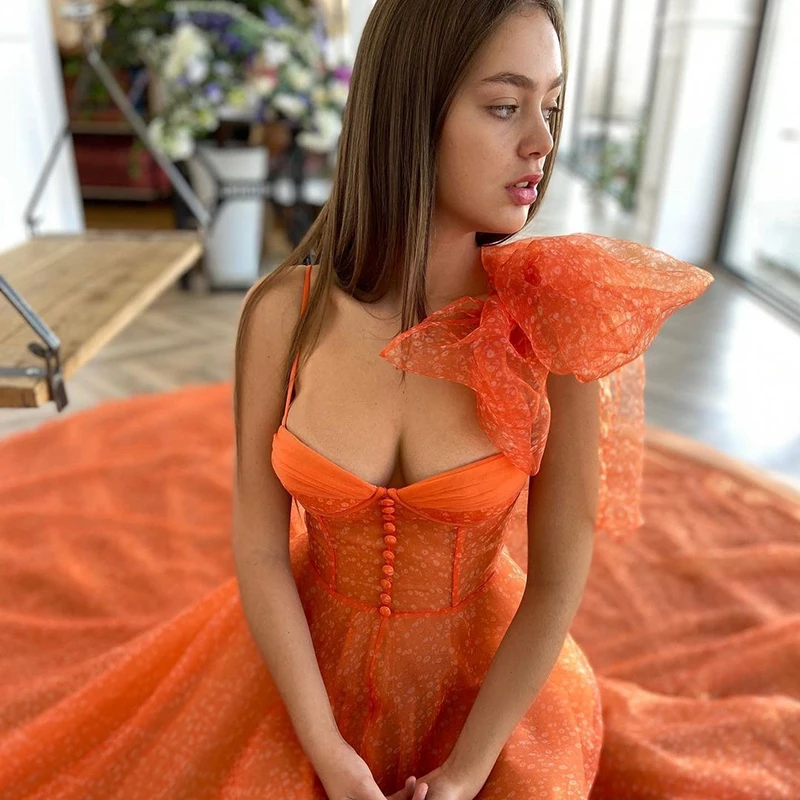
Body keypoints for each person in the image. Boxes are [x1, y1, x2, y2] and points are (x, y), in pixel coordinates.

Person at [233, 1, 713, 799]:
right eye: (504, 105)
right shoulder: (283, 313)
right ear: (409, 111)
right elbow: (257, 547)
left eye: (550, 107)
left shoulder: (553, 323)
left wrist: (463, 775)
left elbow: (558, 579)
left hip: (482, 709)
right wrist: (328, 752)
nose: (542, 142)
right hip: (301, 686)